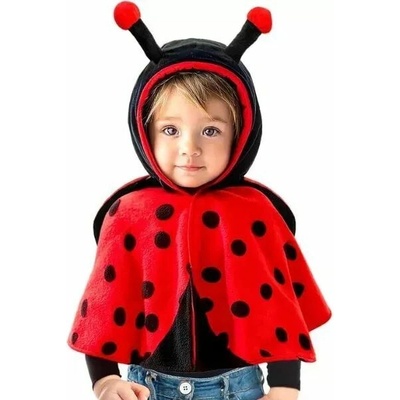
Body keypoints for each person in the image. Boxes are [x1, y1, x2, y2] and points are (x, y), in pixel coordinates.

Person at [67, 2, 332, 400]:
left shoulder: (256, 212)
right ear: (145, 131)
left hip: (238, 388)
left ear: (240, 134)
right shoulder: (128, 213)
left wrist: (284, 386)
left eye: (210, 131)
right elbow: (105, 306)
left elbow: (279, 307)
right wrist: (105, 379)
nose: (189, 148)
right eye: (171, 130)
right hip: (146, 387)